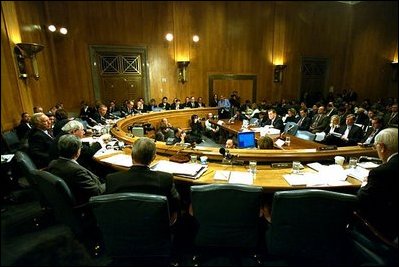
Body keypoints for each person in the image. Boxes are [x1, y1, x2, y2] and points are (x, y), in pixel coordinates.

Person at [105, 137, 181, 224]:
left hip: (122, 228)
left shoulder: (112, 179)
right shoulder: (165, 179)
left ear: (132, 155)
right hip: (155, 230)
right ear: (153, 158)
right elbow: (176, 205)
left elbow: (109, 209)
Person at [357, 128, 398, 241]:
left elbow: (362, 199)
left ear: (382, 147)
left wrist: (364, 183)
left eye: (376, 147)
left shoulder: (381, 172)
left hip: (386, 230)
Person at [47, 134, 105, 205]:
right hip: (89, 203)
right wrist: (110, 183)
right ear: (77, 152)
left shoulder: (53, 163)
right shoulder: (77, 171)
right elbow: (97, 192)